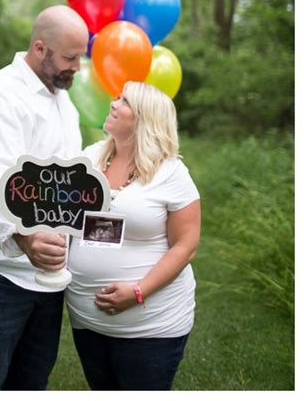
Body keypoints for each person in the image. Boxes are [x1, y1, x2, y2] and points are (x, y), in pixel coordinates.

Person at [0, 5, 89, 390]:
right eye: (70, 57)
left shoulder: (64, 102)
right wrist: (26, 238)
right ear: (40, 48)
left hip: (47, 275)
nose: (77, 67)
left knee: (30, 380)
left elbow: (69, 179)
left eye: (81, 57)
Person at [66, 81, 201, 391]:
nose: (113, 104)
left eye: (124, 101)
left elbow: (187, 245)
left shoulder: (171, 173)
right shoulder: (90, 158)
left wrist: (138, 291)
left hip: (151, 327)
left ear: (145, 119)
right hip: (87, 322)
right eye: (116, 98)